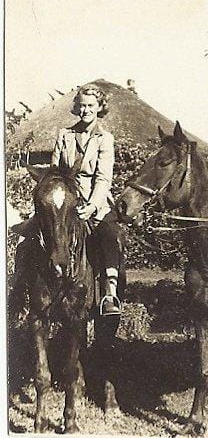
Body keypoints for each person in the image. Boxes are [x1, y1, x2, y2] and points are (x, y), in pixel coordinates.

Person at [51, 83, 122, 316]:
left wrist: (92, 205)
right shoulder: (65, 135)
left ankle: (110, 294)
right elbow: (54, 171)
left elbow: (103, 178)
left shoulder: (105, 138)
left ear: (100, 107)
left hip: (95, 201)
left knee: (108, 234)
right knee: (33, 232)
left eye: (91, 106)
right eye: (81, 106)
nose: (86, 111)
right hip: (66, 199)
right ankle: (23, 287)